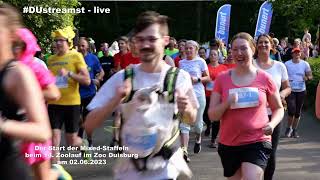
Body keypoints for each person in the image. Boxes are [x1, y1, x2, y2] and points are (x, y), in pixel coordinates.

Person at [84, 11, 198, 179]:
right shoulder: (122, 77)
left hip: (165, 170)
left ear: (165, 41)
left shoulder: (178, 77)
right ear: (135, 42)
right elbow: (89, 125)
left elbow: (191, 119)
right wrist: (115, 100)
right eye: (141, 39)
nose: (146, 44)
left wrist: (186, 109)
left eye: (152, 39)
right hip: (129, 171)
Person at [208, 32, 284, 180]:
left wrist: (272, 124)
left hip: (257, 140)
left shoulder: (265, 78)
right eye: (235, 49)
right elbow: (212, 115)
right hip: (229, 143)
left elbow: (278, 108)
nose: (239, 53)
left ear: (253, 50)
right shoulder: (222, 79)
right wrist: (226, 103)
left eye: (243, 48)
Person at [0, 3, 52, 179]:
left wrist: (3, 125)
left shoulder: (18, 73)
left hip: (10, 168)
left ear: (11, 35)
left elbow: (43, 131)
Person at [47, 26, 91, 165]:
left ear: (69, 42)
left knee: (72, 141)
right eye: (56, 40)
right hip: (54, 103)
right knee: (54, 136)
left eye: (61, 40)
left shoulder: (75, 56)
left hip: (72, 103)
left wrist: (69, 74)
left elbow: (87, 80)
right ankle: (56, 167)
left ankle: (82, 144)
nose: (58, 43)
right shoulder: (51, 59)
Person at [253, 34, 291, 180]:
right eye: (260, 42)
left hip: (274, 114)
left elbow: (288, 87)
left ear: (271, 46)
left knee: (271, 151)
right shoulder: (251, 64)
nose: (263, 45)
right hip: (254, 114)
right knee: (254, 150)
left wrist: (281, 94)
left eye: (266, 42)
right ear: (256, 46)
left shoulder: (280, 66)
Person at [179, 40, 210, 161]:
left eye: (190, 48)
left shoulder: (201, 61)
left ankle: (198, 138)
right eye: (186, 48)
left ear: (196, 50)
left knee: (198, 125)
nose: (187, 50)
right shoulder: (181, 62)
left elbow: (208, 78)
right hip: (185, 95)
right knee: (184, 124)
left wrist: (196, 79)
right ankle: (184, 151)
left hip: (198, 95)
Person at [78, 37, 104, 147]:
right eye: (79, 45)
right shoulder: (75, 58)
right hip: (76, 93)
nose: (81, 47)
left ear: (87, 46)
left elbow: (101, 71)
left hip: (90, 93)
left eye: (83, 45)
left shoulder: (93, 58)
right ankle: (80, 134)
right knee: (78, 118)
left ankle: (89, 140)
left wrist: (98, 79)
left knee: (87, 119)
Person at [284, 47, 313, 138]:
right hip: (291, 90)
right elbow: (283, 77)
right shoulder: (287, 64)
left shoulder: (305, 64)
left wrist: (307, 78)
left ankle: (294, 130)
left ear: (300, 54)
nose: (297, 54)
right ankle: (289, 128)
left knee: (297, 112)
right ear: (292, 54)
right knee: (291, 110)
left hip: (301, 91)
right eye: (295, 53)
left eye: (298, 53)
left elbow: (310, 76)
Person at [203, 49, 228, 148]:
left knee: (216, 119)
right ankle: (208, 125)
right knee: (205, 115)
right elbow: (203, 79)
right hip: (207, 95)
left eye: (215, 54)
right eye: (211, 54)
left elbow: (226, 81)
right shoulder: (206, 67)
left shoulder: (223, 68)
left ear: (218, 56)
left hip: (218, 96)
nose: (213, 56)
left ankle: (213, 140)